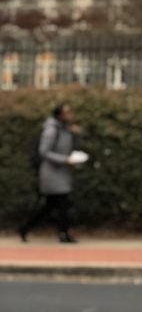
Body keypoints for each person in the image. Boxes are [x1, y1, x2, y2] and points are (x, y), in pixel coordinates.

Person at [18, 103, 81, 243]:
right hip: (52, 173)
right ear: (59, 115)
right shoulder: (51, 130)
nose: (70, 115)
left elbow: (69, 146)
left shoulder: (65, 129)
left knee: (50, 206)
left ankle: (25, 227)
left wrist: (75, 134)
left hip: (61, 172)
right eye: (67, 113)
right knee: (63, 204)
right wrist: (65, 160)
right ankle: (64, 233)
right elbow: (44, 152)